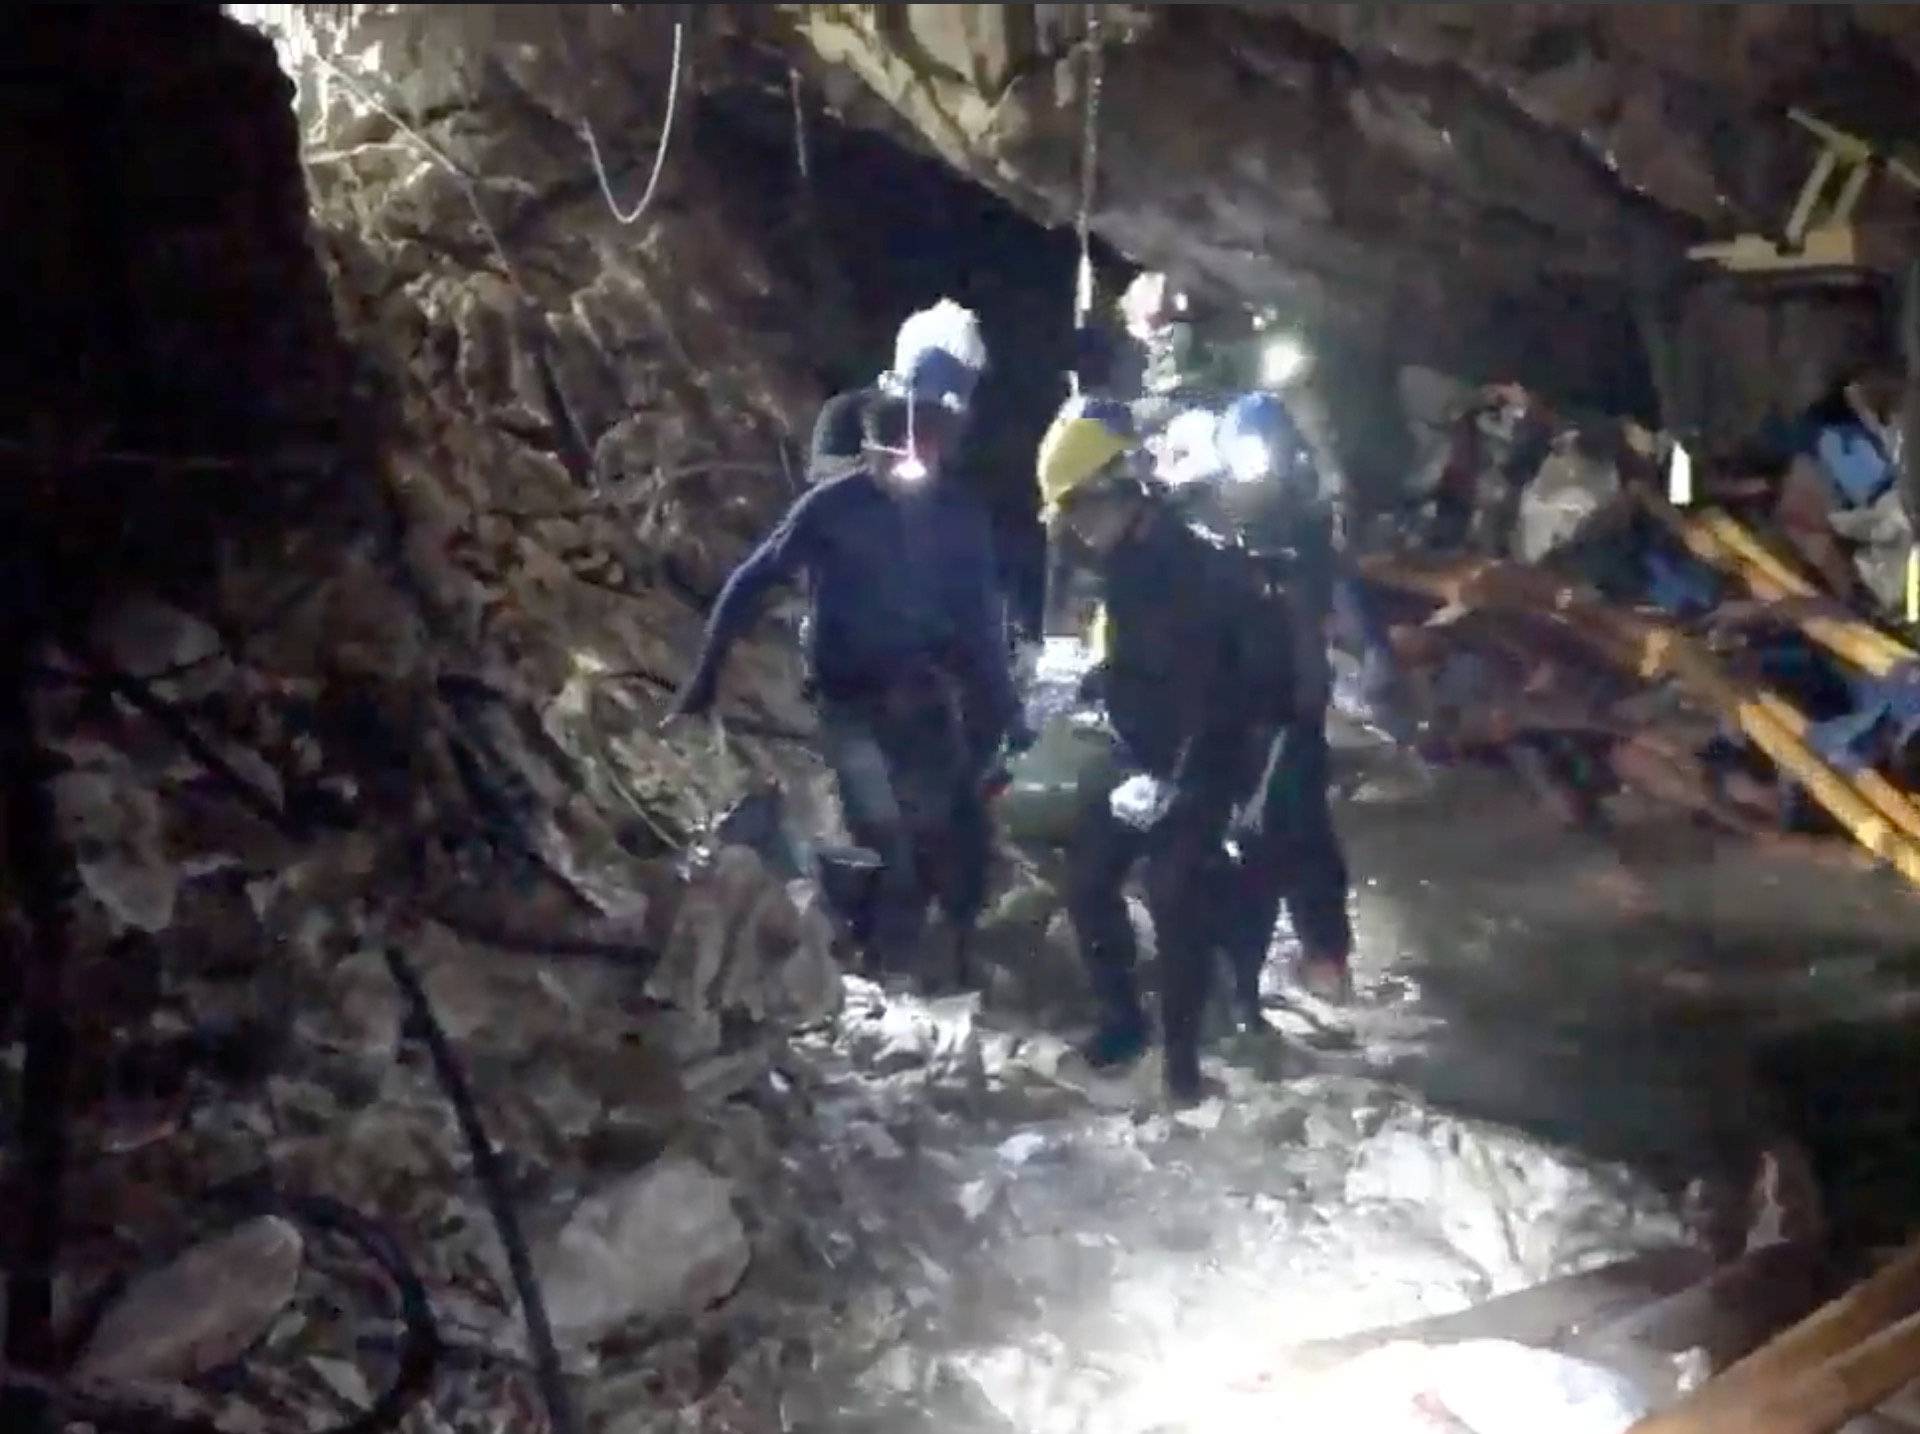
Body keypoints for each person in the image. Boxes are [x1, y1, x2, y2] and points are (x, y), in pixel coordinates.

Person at [672, 334, 1018, 988]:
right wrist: (704, 675)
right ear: (872, 454)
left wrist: (1002, 707)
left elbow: (980, 620)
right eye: (898, 460)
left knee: (943, 824)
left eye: (926, 457)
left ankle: (930, 953)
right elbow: (752, 581)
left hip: (923, 691)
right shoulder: (833, 509)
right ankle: (884, 962)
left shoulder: (959, 519)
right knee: (880, 829)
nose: (912, 473)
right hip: (847, 694)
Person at [1037, 398, 1291, 1103]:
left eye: (1082, 512)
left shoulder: (1190, 569)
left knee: (1178, 889)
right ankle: (1122, 1023)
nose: (1079, 531)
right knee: (1089, 875)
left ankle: (1181, 1065)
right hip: (1145, 753)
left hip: (1207, 760)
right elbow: (1136, 661)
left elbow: (1209, 689)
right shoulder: (1127, 561)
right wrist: (1090, 681)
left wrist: (1171, 780)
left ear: (1118, 491)